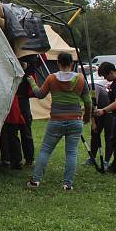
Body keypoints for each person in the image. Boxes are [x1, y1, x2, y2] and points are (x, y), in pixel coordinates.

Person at [26, 52, 91, 191]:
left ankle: (35, 181)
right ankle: (67, 184)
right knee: (72, 152)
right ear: (72, 64)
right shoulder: (80, 79)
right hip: (75, 120)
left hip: (56, 120)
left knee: (45, 150)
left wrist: (31, 81)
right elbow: (88, 101)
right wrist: (87, 117)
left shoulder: (51, 78)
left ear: (58, 63)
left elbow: (39, 94)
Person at [85, 81, 114, 171]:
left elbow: (93, 105)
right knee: (94, 135)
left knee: (108, 137)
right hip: (98, 114)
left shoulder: (93, 88)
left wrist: (93, 122)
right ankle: (92, 158)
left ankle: (106, 161)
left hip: (108, 113)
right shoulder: (84, 90)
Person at [0, 85, 25, 170]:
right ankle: (15, 160)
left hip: (9, 110)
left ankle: (8, 160)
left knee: (6, 136)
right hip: (12, 110)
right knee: (12, 136)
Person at [17, 61, 35, 166]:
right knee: (10, 130)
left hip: (22, 99)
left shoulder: (29, 68)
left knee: (25, 129)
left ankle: (29, 158)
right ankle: (13, 157)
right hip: (14, 99)